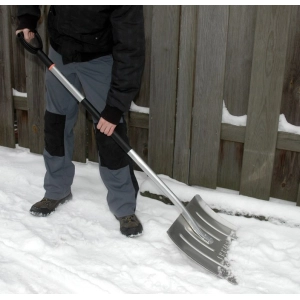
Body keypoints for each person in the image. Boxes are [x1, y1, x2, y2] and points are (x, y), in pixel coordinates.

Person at [16, 5, 145, 237]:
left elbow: (131, 48)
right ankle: (57, 190)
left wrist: (115, 107)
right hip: (60, 52)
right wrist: (26, 20)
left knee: (109, 131)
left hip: (100, 58)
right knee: (56, 122)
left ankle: (124, 205)